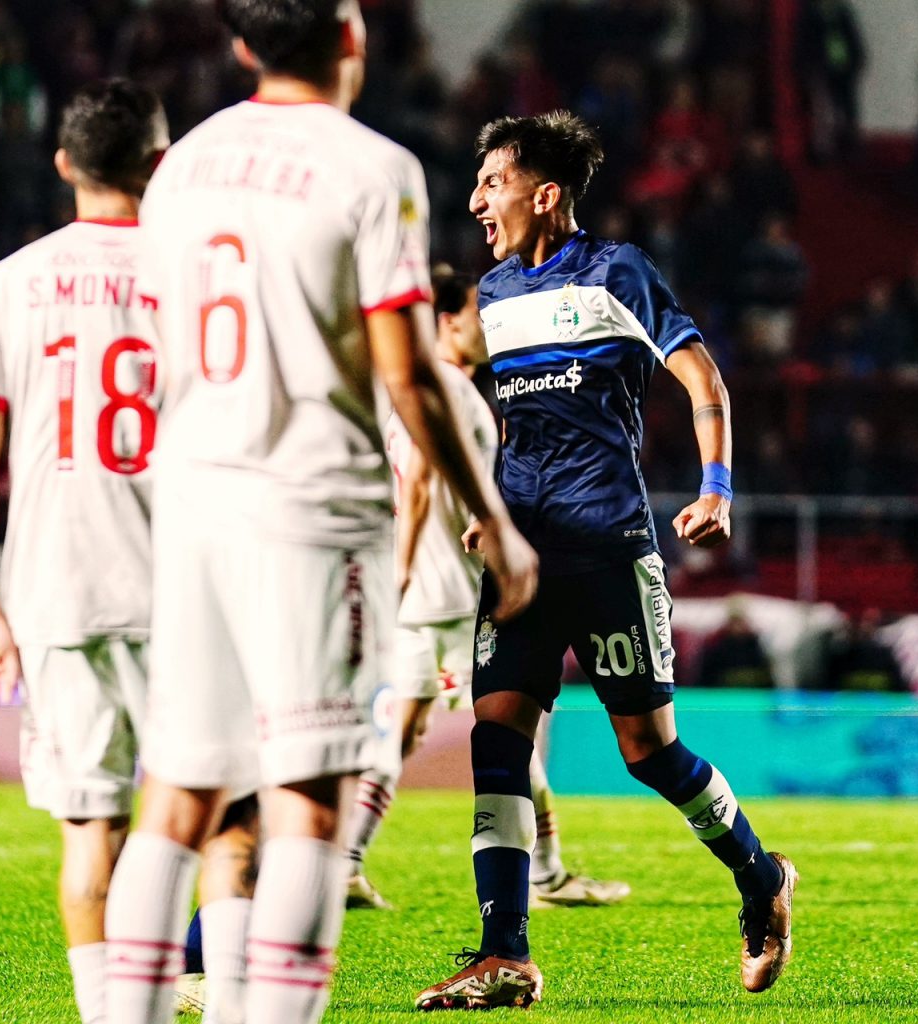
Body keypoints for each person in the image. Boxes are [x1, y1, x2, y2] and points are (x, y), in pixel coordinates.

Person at [100, 5, 538, 1024]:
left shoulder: (184, 165)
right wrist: (495, 519)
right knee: (307, 799)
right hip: (310, 511)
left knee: (177, 796)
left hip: (193, 502)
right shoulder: (371, 167)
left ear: (243, 45)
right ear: (350, 37)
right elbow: (407, 371)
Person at [415, 111, 797, 1012]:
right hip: (523, 556)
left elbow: (703, 378)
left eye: (493, 183)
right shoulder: (494, 292)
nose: (476, 201)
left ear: (545, 194)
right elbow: (518, 425)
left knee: (648, 752)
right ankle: (504, 953)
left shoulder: (617, 273)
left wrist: (716, 487)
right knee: (497, 738)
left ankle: (760, 875)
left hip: (607, 546)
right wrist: (493, 512)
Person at [0, 79, 173, 1024]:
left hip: (57, 588)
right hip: (190, 590)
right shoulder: (201, 274)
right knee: (225, 823)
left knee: (91, 831)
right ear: (160, 162)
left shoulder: (9, 283)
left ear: (64, 163)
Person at [343, 267, 629, 911]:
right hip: (449, 592)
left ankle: (346, 861)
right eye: (477, 313)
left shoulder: (404, 389)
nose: (487, 323)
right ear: (447, 322)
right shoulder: (448, 388)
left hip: (419, 593)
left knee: (410, 727)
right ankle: (545, 873)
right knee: (504, 724)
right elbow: (421, 479)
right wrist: (406, 566)